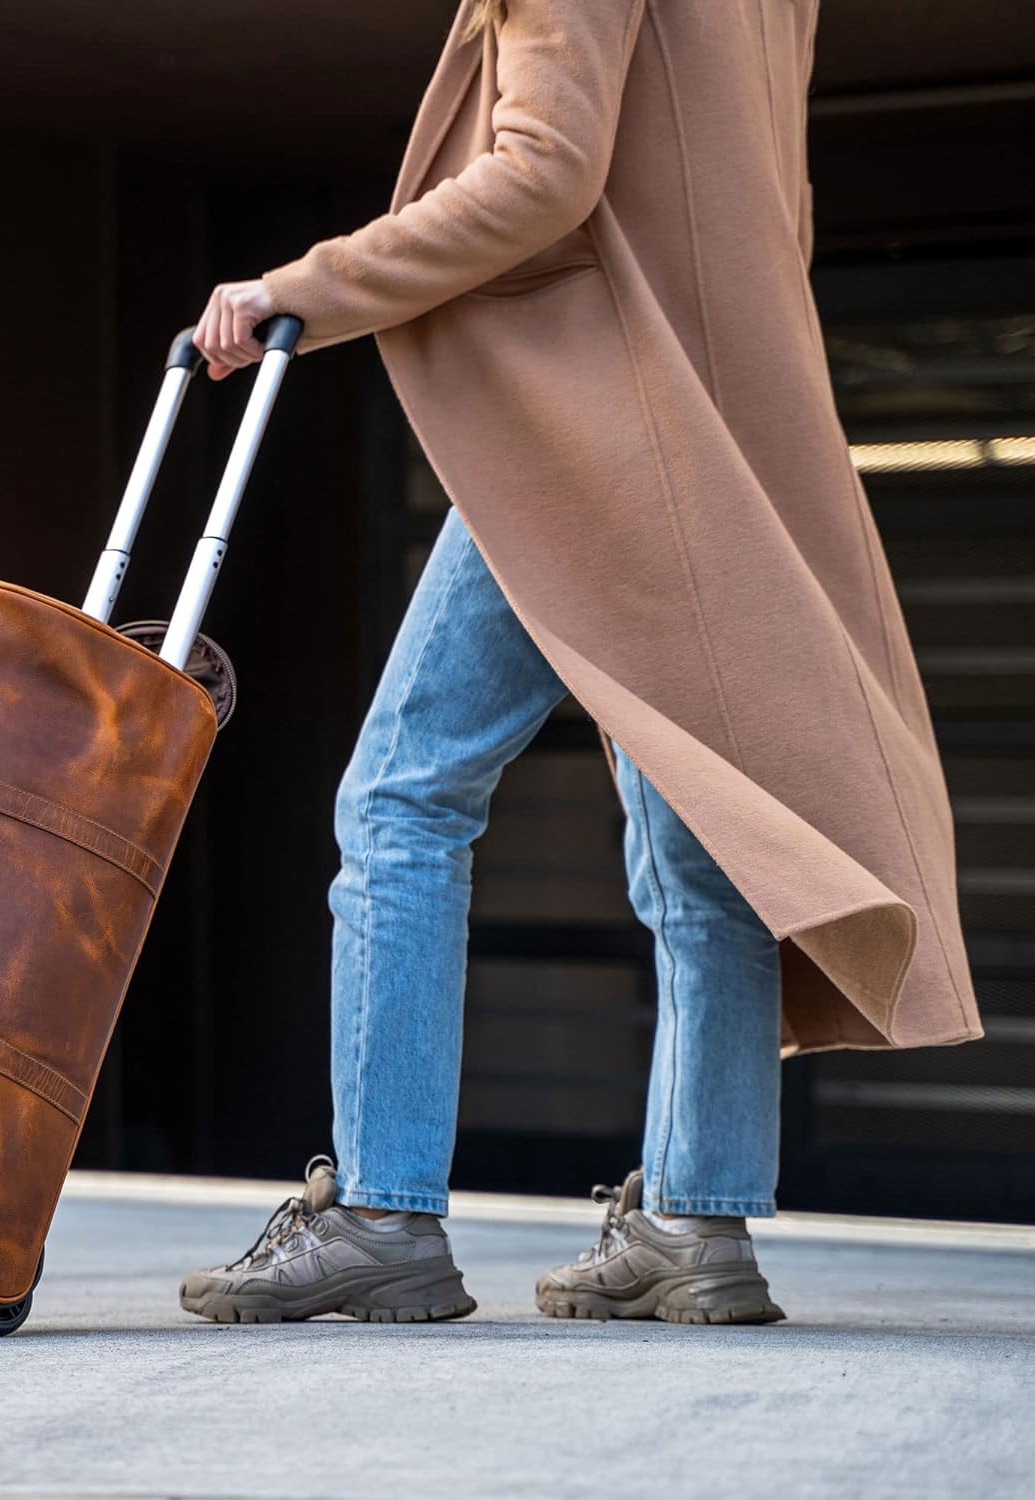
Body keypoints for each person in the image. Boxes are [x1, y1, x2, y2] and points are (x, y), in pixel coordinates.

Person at [179, 0, 982, 1325]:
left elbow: (543, 174)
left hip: (594, 421)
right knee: (698, 834)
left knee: (401, 797)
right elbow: (775, 205)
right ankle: (694, 1222)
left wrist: (297, 291)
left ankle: (382, 1212)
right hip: (713, 423)